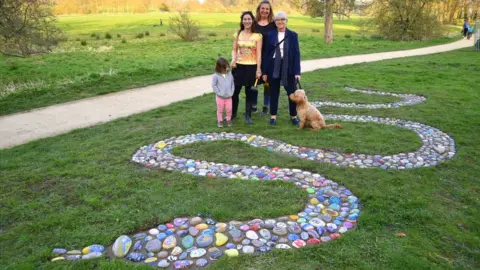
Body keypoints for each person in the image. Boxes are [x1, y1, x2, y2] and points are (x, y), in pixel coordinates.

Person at [262, 11, 301, 126]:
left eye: (282, 19)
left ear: (286, 21)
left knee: (291, 93)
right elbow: (266, 54)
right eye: (278, 20)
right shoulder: (270, 35)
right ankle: (273, 116)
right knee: (274, 92)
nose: (280, 22)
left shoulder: (293, 35)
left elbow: (296, 54)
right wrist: (264, 71)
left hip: (288, 66)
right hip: (273, 66)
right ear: (275, 22)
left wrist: (297, 71)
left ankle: (293, 116)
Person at [231, 11, 263, 124]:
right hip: (238, 67)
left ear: (252, 20)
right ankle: (233, 114)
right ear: (242, 21)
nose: (247, 21)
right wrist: (233, 59)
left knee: (249, 92)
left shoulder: (258, 36)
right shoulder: (237, 34)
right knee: (234, 92)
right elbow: (234, 49)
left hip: (252, 67)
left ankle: (248, 116)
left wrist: (258, 69)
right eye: (245, 19)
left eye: (249, 19)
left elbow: (259, 53)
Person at [253, 0, 276, 116]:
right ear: (259, 9)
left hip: (269, 58)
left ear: (270, 11)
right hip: (254, 58)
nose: (265, 10)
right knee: (255, 83)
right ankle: (254, 106)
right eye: (263, 8)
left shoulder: (273, 25)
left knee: (267, 83)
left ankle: (266, 106)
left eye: (267, 9)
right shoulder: (254, 24)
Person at [212, 57, 235, 127]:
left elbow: (232, 83)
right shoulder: (215, 76)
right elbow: (214, 85)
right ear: (220, 68)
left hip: (229, 96)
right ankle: (220, 121)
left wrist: (232, 91)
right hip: (220, 97)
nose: (227, 68)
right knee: (220, 109)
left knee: (229, 109)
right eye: (225, 67)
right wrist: (219, 92)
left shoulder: (229, 74)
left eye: (227, 66)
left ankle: (228, 119)